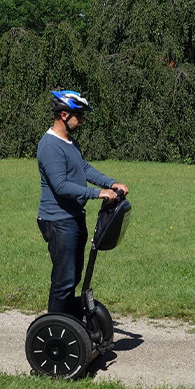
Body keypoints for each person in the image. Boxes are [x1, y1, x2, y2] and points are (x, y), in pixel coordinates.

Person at [36, 90, 128, 316]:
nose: (82, 121)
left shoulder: (68, 142)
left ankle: (69, 323)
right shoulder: (49, 146)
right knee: (63, 280)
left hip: (74, 218)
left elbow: (83, 168)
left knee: (74, 276)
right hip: (57, 220)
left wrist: (111, 182)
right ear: (65, 115)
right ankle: (56, 328)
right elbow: (60, 185)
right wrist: (98, 193)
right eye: (80, 116)